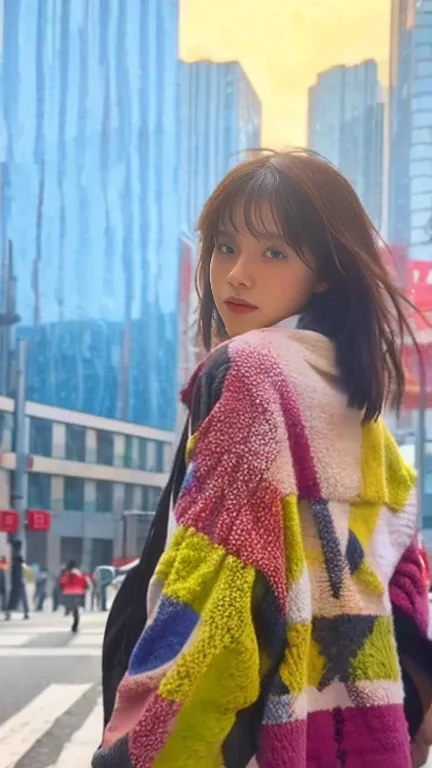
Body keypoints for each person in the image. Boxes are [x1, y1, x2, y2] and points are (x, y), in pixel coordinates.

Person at [94, 150, 432, 767]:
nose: (236, 275)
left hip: (260, 740)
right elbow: (405, 587)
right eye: (224, 247)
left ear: (324, 270)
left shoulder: (251, 372)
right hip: (360, 737)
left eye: (273, 252)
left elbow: (210, 601)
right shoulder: (361, 409)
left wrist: (141, 751)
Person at [59, 560, 87, 633]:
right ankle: (75, 624)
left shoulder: (67, 573)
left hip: (68, 592)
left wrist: (63, 590)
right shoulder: (78, 573)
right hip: (78, 592)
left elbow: (62, 582)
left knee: (72, 606)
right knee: (75, 609)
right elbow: (84, 582)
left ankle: (68, 609)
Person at [5, 540, 29, 620]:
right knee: (21, 597)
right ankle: (25, 613)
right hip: (18, 580)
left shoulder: (16, 556)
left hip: (16, 580)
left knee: (14, 598)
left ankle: (9, 613)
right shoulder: (18, 556)